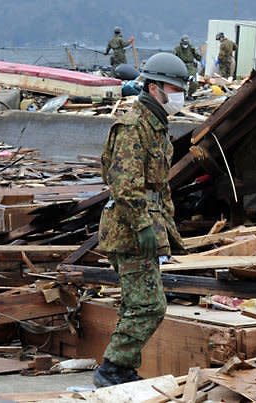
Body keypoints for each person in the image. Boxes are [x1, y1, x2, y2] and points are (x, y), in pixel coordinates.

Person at [93, 52, 188, 388]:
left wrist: (166, 232)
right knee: (149, 305)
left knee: (137, 303)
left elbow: (159, 188)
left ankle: (121, 369)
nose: (179, 95)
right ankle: (112, 369)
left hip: (144, 228)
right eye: (174, 88)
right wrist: (144, 226)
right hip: (129, 231)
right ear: (153, 87)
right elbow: (125, 184)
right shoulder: (134, 125)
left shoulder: (156, 125)